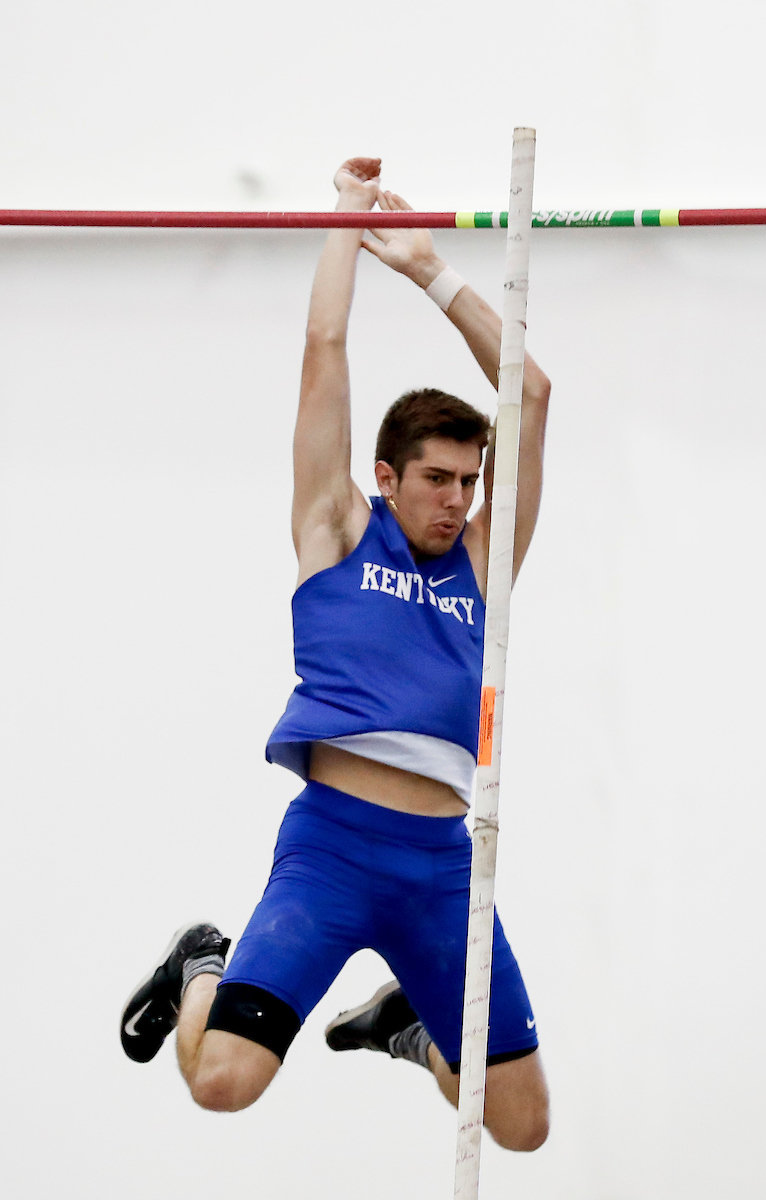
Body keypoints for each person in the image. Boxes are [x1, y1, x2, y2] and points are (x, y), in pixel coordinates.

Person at [121, 157, 551, 1153]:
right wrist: (344, 222)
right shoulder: (333, 530)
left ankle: (406, 1025)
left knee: (520, 1126)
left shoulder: (481, 567)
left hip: (442, 868)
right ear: (384, 477)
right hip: (331, 852)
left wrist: (432, 274)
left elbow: (528, 388)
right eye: (435, 479)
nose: (455, 499)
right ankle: (199, 968)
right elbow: (322, 345)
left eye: (468, 483)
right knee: (221, 1083)